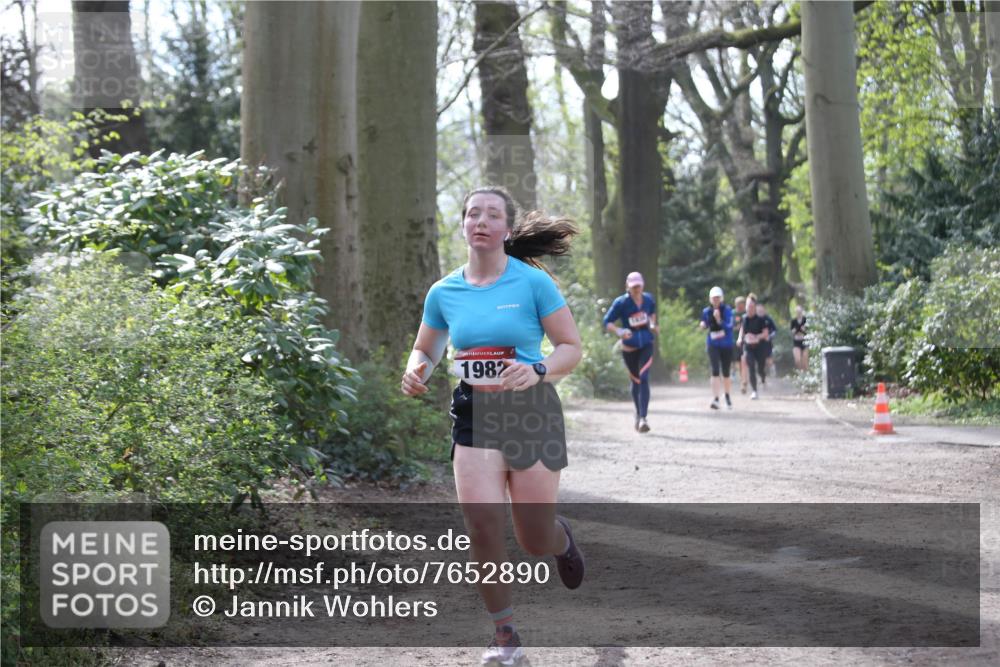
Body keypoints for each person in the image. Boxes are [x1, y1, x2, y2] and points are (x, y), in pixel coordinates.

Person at [400, 186, 585, 665]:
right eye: (473, 214)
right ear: (463, 225)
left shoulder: (531, 284)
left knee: (533, 538)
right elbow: (427, 347)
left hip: (531, 410)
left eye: (492, 214)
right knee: (482, 526)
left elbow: (570, 348)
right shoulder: (444, 292)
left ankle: (560, 538)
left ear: (507, 229)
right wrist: (417, 369)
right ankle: (505, 636)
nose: (480, 221)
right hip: (475, 414)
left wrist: (538, 369)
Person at [602, 271, 658, 432]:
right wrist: (619, 331)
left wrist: (652, 325)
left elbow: (652, 313)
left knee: (644, 377)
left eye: (638, 286)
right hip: (629, 347)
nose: (636, 289)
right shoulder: (621, 302)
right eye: (633, 287)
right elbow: (607, 321)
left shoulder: (648, 299)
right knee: (636, 380)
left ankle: (644, 418)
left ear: (643, 285)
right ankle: (638, 414)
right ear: (628, 286)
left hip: (646, 344)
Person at [699, 286, 734, 410]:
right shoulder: (706, 311)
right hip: (713, 344)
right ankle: (716, 398)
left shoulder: (727, 310)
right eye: (714, 298)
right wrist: (703, 325)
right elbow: (704, 323)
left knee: (726, 372)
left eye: (718, 298)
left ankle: (727, 396)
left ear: (721, 298)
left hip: (726, 344)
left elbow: (729, 327)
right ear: (710, 299)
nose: (716, 300)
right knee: (715, 370)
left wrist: (719, 320)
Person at [737, 295, 770, 400]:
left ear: (754, 307)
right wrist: (739, 338)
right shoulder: (744, 318)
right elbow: (742, 329)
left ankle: (763, 379)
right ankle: (754, 391)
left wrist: (756, 337)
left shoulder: (761, 319)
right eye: (747, 306)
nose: (749, 308)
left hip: (760, 347)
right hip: (748, 347)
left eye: (751, 306)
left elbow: (765, 333)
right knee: (750, 366)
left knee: (760, 369)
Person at [757, 303, 778, 382]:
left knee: (769, 358)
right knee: (759, 359)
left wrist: (769, 337)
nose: (760, 312)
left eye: (761, 310)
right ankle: (761, 375)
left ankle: (772, 371)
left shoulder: (768, 319)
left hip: (767, 342)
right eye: (758, 310)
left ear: (764, 310)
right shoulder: (754, 319)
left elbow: (774, 330)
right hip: (757, 343)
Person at [731, 296, 748, 393]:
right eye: (738, 305)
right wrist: (735, 328)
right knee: (734, 359)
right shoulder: (732, 313)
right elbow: (729, 325)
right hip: (733, 340)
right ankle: (734, 373)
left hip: (744, 341)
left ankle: (743, 381)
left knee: (742, 360)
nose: (740, 307)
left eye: (741, 305)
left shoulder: (746, 313)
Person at [791, 305, 809, 371]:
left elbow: (809, 330)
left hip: (805, 341)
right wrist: (795, 330)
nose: (798, 313)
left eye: (799, 312)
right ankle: (800, 372)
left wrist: (804, 330)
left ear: (802, 312)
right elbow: (792, 331)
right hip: (796, 342)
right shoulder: (793, 321)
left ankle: (806, 373)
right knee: (797, 360)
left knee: (805, 360)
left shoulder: (805, 320)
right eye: (797, 312)